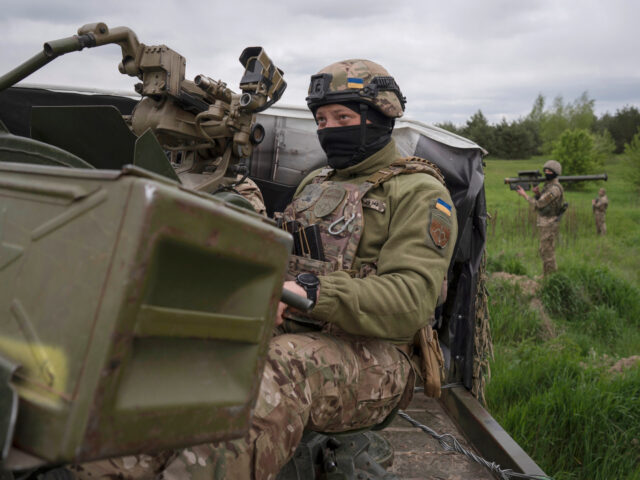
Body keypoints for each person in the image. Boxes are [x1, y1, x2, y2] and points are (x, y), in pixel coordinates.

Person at [68, 59, 457, 479]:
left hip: (380, 358)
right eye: (322, 119)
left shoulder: (420, 192)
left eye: (343, 117)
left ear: (383, 115)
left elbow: (412, 300)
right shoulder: (318, 183)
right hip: (300, 332)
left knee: (278, 370)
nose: (330, 129)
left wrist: (310, 292)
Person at [515, 160, 565, 276]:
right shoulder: (549, 186)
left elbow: (539, 204)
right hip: (545, 221)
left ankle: (550, 277)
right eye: (545, 170)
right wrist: (537, 193)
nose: (546, 173)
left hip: (549, 222)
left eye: (549, 171)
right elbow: (542, 200)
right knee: (544, 250)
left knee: (548, 252)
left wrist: (525, 195)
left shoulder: (554, 189)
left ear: (555, 172)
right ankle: (546, 275)